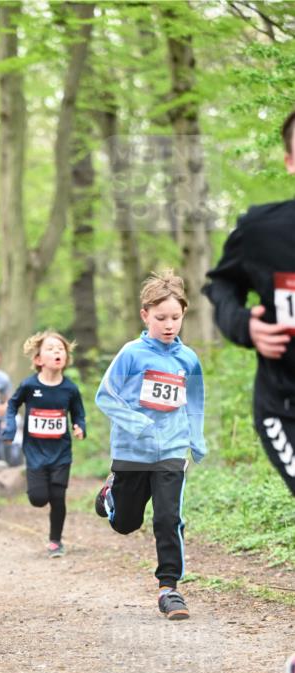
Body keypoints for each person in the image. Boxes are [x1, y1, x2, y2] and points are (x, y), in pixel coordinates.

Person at [94, 269, 206, 621]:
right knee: (126, 523)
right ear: (145, 315)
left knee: (168, 518)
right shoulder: (131, 354)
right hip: (131, 451)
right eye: (161, 318)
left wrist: (196, 438)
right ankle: (111, 494)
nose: (169, 324)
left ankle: (169, 589)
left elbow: (195, 401)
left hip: (172, 450)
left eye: (175, 317)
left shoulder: (187, 358)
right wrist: (137, 423)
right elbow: (105, 396)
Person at [202, 108, 295, 495]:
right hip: (285, 406)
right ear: (290, 162)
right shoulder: (262, 231)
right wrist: (245, 326)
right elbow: (221, 286)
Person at [2, 331, 86, 558]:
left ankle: (55, 541)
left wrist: (80, 427)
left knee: (58, 498)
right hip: (35, 452)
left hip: (61, 453)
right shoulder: (29, 385)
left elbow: (78, 414)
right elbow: (12, 405)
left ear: (66, 358)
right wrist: (10, 427)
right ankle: (39, 490)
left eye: (61, 349)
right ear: (38, 359)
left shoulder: (70, 389)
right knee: (38, 499)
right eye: (50, 349)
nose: (57, 352)